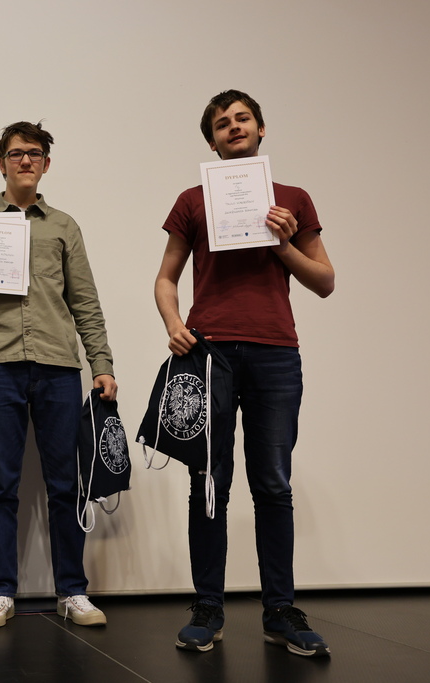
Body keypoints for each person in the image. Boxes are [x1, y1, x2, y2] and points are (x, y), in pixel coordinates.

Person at [154, 90, 335, 657]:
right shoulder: (192, 200)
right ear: (212, 142)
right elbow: (166, 277)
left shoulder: (293, 200)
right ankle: (208, 605)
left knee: (273, 483)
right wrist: (174, 323)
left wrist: (282, 243)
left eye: (243, 119)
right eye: (221, 124)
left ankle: (279, 609)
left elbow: (324, 281)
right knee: (209, 480)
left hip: (276, 352)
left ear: (261, 129)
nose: (233, 127)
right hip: (208, 352)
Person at [0, 122, 116, 629]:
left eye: (34, 154)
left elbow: (85, 301)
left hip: (58, 366)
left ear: (45, 164)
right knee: (0, 486)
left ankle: (72, 591)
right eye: (16, 153)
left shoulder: (64, 226)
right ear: (1, 163)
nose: (25, 161)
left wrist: (102, 364)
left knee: (66, 484)